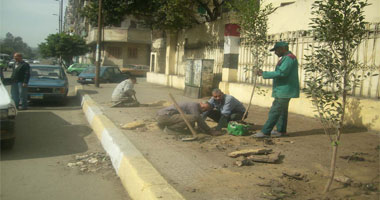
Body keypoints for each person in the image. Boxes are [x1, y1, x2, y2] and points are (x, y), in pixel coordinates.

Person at [252, 41, 300, 138]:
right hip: (283, 90)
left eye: (276, 50)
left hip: (284, 90)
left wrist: (263, 74)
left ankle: (265, 132)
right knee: (282, 111)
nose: (275, 53)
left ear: (282, 49)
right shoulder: (287, 58)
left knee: (275, 110)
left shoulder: (289, 59)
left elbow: (281, 73)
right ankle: (281, 131)